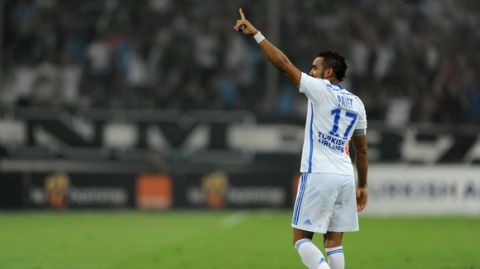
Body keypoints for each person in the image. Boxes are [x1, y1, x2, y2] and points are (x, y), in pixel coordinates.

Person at [234, 9, 368, 269]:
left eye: (315, 68)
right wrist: (363, 185)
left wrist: (257, 35)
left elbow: (283, 64)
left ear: (328, 72)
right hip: (345, 177)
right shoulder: (357, 103)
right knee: (334, 241)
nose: (310, 71)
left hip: (319, 172)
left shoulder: (319, 89)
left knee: (300, 238)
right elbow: (361, 151)